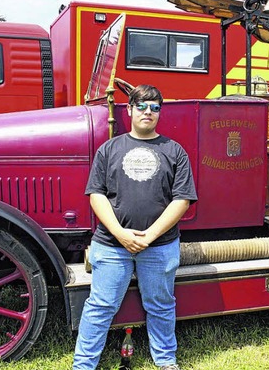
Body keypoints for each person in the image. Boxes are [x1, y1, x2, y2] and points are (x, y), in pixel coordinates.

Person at [73, 84, 197, 370]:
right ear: (128, 110)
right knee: (100, 306)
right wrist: (120, 233)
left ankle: (166, 361)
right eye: (141, 106)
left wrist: (149, 237)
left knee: (161, 305)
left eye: (154, 107)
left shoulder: (174, 151)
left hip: (160, 245)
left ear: (160, 113)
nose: (148, 112)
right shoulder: (109, 149)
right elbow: (96, 194)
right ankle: (83, 365)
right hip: (111, 244)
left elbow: (182, 199)